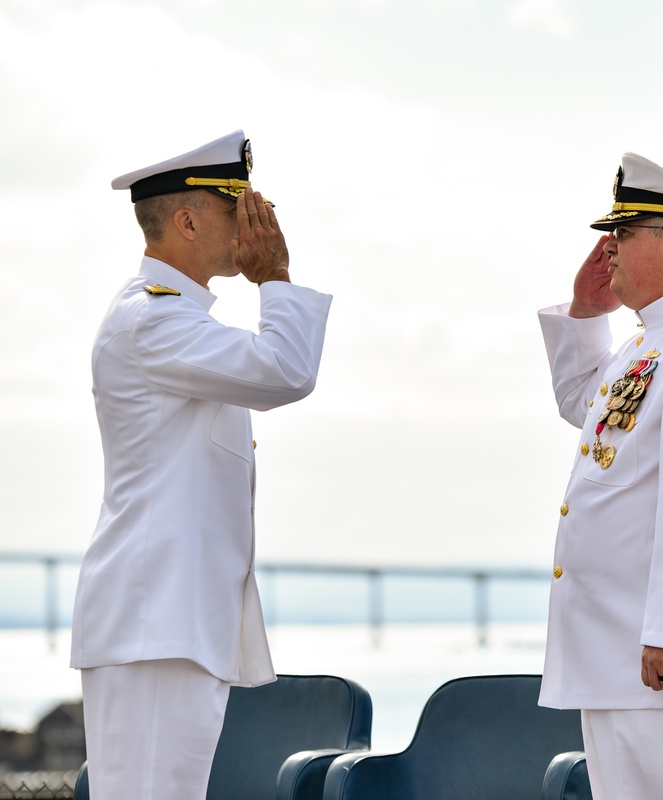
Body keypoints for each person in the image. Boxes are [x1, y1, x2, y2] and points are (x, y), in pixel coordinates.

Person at [70, 131, 332, 800]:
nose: (254, 224)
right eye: (237, 208)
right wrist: (274, 276)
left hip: (168, 619)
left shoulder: (173, 320)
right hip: (156, 620)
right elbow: (285, 371)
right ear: (186, 221)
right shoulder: (153, 322)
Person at [537, 153, 663, 800]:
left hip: (661, 662)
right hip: (621, 656)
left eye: (623, 235)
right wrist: (588, 313)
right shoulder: (652, 339)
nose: (607, 250)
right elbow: (592, 417)